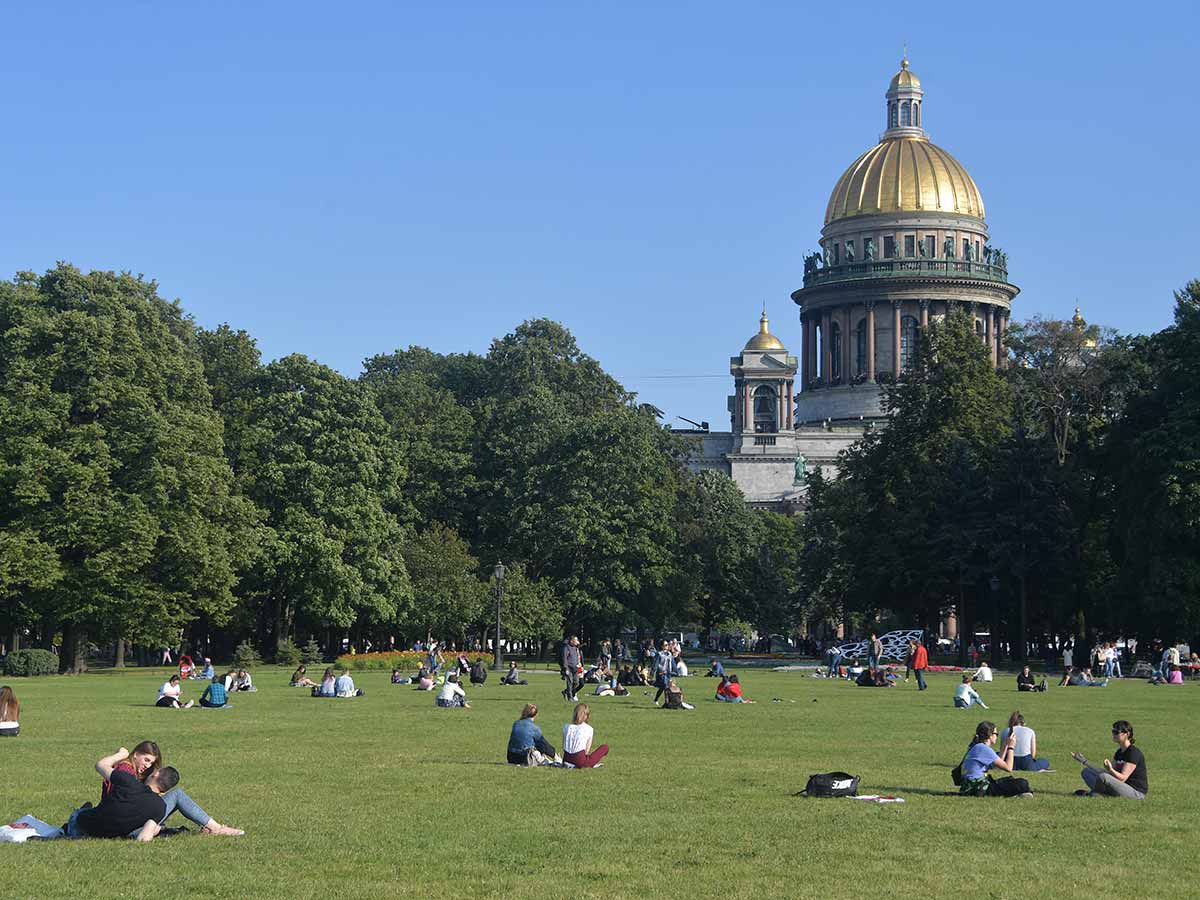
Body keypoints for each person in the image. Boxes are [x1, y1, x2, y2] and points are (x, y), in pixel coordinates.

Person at [100, 741, 243, 835]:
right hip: (126, 825)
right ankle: (217, 828)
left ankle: (212, 827)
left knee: (167, 800)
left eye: (151, 763)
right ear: (135, 755)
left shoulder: (131, 771)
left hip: (126, 822)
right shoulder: (125, 770)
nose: (148, 766)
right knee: (177, 795)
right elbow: (117, 801)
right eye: (146, 760)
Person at [65, 747, 178, 841]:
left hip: (80, 827)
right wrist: (155, 830)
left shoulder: (128, 780)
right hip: (106, 836)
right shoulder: (160, 807)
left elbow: (100, 765)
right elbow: (144, 838)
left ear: (156, 774)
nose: (149, 767)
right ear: (165, 790)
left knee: (80, 814)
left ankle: (83, 811)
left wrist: (121, 754)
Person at [1072, 720, 1148, 799]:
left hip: (1135, 792)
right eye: (1113, 731)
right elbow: (1108, 774)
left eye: (1116, 732)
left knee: (1103, 777)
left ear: (1127, 734)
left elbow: (1122, 778)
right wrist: (1084, 761)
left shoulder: (1133, 753)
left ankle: (1095, 794)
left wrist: (1111, 769)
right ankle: (1100, 794)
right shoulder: (1119, 752)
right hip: (1119, 787)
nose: (1113, 734)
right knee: (1086, 772)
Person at [957, 721, 1032, 797]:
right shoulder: (983, 748)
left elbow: (996, 766)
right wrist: (1011, 747)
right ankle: (1020, 793)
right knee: (1022, 783)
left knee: (1009, 780)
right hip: (979, 788)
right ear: (990, 735)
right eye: (996, 734)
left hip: (973, 787)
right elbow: (1008, 768)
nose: (997, 736)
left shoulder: (977, 746)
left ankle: (1019, 794)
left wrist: (1005, 745)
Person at [562, 703, 609, 768]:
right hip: (579, 760)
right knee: (605, 747)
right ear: (586, 716)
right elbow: (586, 751)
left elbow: (563, 745)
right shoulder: (589, 729)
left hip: (566, 759)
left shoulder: (566, 726)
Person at [561, 635, 583, 702]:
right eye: (576, 640)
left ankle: (566, 692)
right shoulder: (566, 648)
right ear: (571, 641)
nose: (577, 642)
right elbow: (564, 658)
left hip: (575, 668)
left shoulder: (575, 648)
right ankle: (570, 698)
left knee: (576, 683)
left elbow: (577, 657)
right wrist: (565, 668)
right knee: (570, 683)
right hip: (569, 668)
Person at [651, 640, 673, 706]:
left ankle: (656, 700)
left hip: (668, 673)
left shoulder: (669, 653)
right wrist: (652, 672)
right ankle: (667, 702)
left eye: (667, 644)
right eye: (665, 645)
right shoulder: (659, 654)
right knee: (664, 686)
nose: (667, 646)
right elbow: (655, 663)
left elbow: (671, 663)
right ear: (662, 646)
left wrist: (674, 671)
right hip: (661, 673)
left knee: (663, 687)